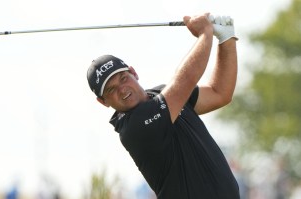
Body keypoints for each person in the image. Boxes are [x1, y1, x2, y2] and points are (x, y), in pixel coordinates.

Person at [87, 13, 239, 199]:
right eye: (111, 90)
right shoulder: (134, 127)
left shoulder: (161, 95)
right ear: (103, 102)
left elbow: (219, 93)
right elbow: (186, 79)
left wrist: (226, 39)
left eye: (123, 78)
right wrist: (205, 33)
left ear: (133, 73)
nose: (122, 89)